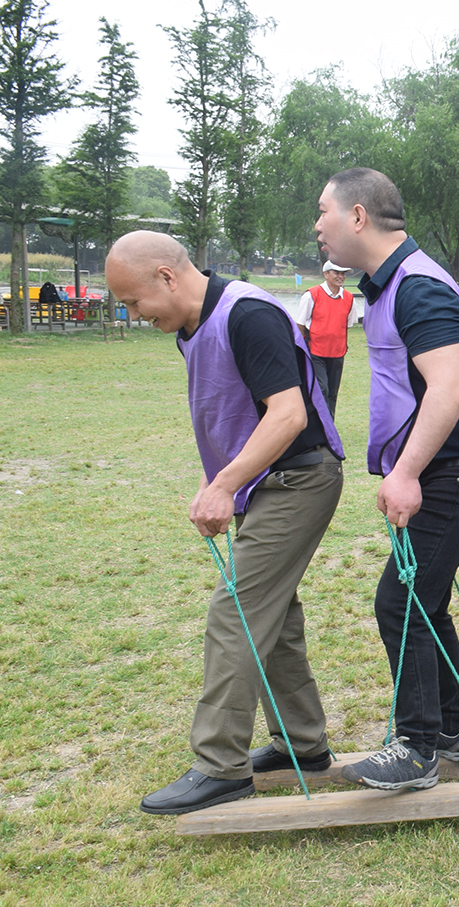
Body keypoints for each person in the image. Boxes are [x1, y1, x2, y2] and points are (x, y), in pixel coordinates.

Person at [105, 231, 344, 815]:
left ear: (166, 276)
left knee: (235, 611)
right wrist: (221, 482)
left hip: (299, 479)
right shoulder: (190, 326)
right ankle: (302, 745)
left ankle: (220, 765)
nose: (133, 315)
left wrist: (223, 485)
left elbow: (288, 415)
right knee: (272, 618)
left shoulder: (249, 314)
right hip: (265, 485)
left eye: (134, 302)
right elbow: (230, 411)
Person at [315, 167, 459, 790]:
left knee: (400, 602)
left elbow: (449, 388)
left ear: (358, 216)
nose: (317, 226)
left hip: (458, 474)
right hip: (449, 471)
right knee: (425, 599)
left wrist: (404, 473)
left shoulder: (418, 287)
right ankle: (451, 731)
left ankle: (417, 748)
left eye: (324, 212)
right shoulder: (392, 284)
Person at [292, 259, 360, 417]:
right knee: (322, 389)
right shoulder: (312, 295)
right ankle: (322, 425)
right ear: (326, 274)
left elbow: (347, 324)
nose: (340, 276)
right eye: (336, 272)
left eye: (343, 273)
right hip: (315, 351)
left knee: (332, 393)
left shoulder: (349, 298)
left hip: (337, 352)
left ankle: (330, 426)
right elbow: (300, 324)